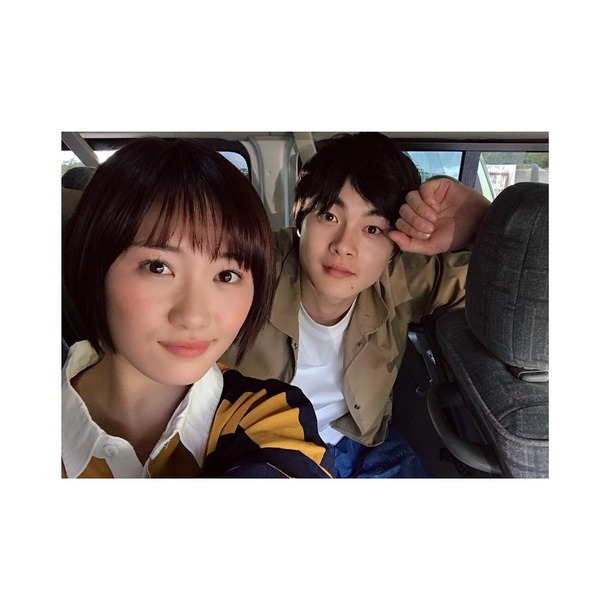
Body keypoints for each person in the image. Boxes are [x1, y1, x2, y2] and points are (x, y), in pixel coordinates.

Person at [61, 137, 335, 478]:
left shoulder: (270, 415)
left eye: (226, 275)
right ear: (94, 266)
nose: (194, 316)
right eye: (158, 267)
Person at [221, 132, 490, 478]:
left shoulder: (399, 277)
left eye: (373, 229)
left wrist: (485, 223)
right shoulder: (253, 267)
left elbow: (511, 292)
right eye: (328, 216)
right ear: (300, 219)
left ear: (394, 248)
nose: (344, 246)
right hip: (258, 446)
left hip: (360, 443)